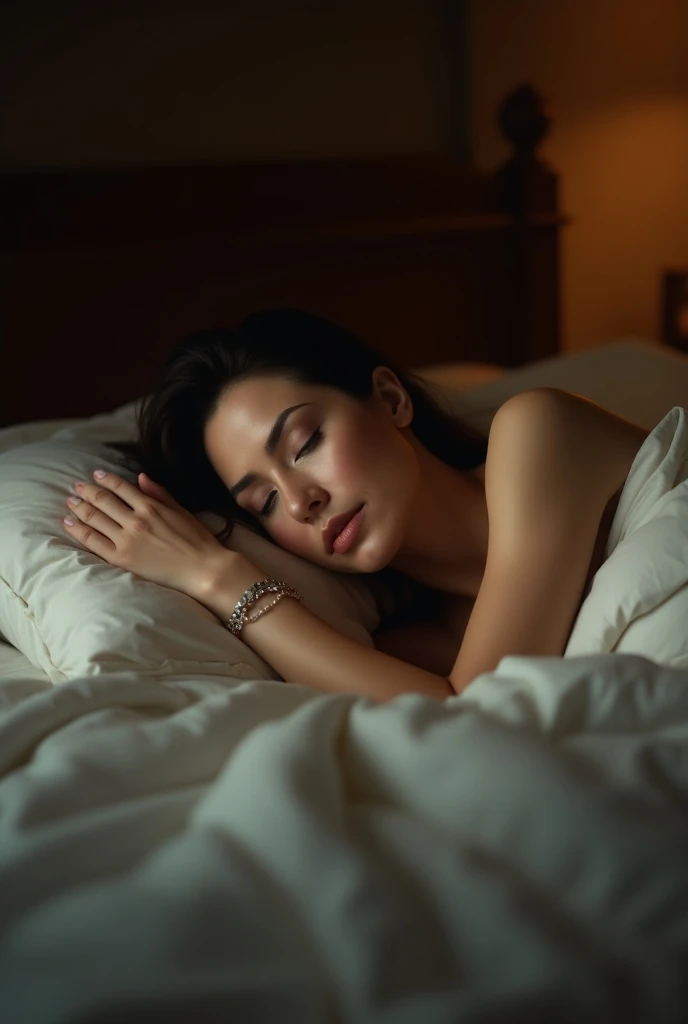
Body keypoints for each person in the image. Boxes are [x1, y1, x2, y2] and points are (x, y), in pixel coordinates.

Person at [62, 309, 649, 701]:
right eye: (263, 501)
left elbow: (479, 710)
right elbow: (448, 722)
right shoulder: (419, 647)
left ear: (391, 400)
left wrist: (227, 582)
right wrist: (213, 577)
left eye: (305, 443)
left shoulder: (537, 431)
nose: (299, 501)